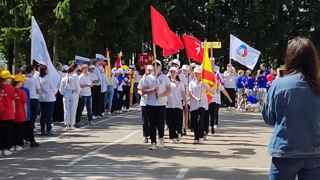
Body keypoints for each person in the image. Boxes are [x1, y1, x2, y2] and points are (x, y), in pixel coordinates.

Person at [262, 37, 320, 180]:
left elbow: (269, 118)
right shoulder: (317, 85)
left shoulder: (279, 84)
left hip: (285, 150)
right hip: (315, 151)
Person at [142, 60, 172, 150]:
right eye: (154, 66)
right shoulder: (148, 78)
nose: (156, 67)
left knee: (160, 123)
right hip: (150, 103)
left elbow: (169, 90)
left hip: (161, 104)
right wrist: (152, 90)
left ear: (160, 67)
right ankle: (153, 141)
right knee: (151, 124)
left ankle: (161, 139)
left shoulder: (165, 77)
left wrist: (162, 95)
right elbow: (143, 90)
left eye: (158, 66)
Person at [189, 66, 216, 144]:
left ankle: (201, 136)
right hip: (194, 104)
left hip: (202, 104)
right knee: (194, 121)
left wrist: (208, 86)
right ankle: (196, 137)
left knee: (200, 119)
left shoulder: (204, 82)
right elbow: (190, 93)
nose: (196, 75)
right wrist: (196, 98)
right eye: (195, 73)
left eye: (197, 73)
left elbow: (212, 91)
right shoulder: (191, 82)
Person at [166, 67, 186, 143]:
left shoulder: (180, 83)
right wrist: (165, 99)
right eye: (171, 72)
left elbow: (183, 93)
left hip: (178, 104)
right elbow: (164, 92)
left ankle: (179, 132)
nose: (172, 73)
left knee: (178, 120)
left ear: (177, 73)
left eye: (174, 72)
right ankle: (172, 136)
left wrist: (185, 102)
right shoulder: (167, 82)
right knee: (170, 121)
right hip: (169, 104)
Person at [20, 76, 39, 147]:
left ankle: (20, 140)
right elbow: (26, 102)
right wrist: (26, 113)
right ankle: (31, 140)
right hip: (24, 111)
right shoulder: (24, 90)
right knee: (29, 124)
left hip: (16, 113)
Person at [60, 66, 81, 130]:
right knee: (73, 109)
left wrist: (63, 93)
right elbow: (77, 87)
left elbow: (61, 89)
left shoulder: (63, 79)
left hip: (66, 93)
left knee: (66, 110)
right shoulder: (74, 78)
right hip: (73, 93)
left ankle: (67, 124)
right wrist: (78, 93)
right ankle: (72, 124)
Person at [39, 66, 57, 136]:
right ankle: (48, 130)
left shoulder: (39, 78)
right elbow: (54, 88)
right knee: (49, 115)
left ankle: (42, 130)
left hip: (41, 98)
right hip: (49, 98)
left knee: (43, 114)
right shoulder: (48, 78)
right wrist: (55, 92)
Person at [0, 70, 15, 155]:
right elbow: (12, 100)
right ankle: (6, 148)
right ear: (6, 79)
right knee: (8, 131)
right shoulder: (10, 88)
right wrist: (14, 111)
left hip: (1, 113)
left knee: (1, 130)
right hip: (8, 112)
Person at [12, 75, 28, 151]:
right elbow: (24, 104)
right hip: (20, 113)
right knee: (20, 129)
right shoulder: (22, 92)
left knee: (13, 129)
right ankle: (19, 143)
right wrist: (26, 113)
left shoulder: (11, 90)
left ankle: (12, 143)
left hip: (12, 114)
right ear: (20, 82)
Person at [137, 65, 153, 143]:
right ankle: (146, 135)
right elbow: (139, 90)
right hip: (144, 102)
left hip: (152, 102)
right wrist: (142, 93)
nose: (149, 71)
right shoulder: (143, 80)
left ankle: (153, 134)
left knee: (152, 120)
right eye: (148, 70)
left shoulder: (154, 80)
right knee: (145, 120)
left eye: (151, 70)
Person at [23, 65, 41, 132]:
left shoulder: (23, 79)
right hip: (33, 98)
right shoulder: (34, 80)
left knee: (25, 115)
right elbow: (38, 91)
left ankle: (25, 130)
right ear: (32, 71)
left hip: (24, 99)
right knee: (32, 116)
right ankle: (31, 129)